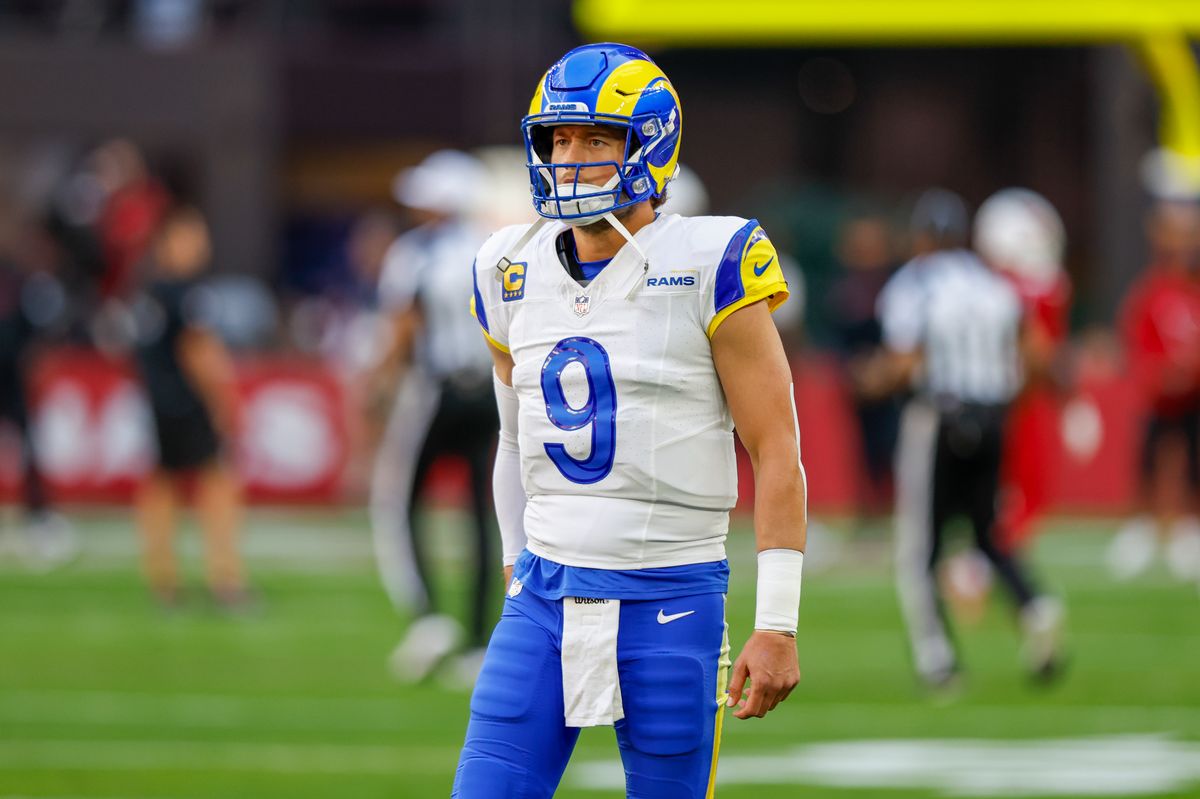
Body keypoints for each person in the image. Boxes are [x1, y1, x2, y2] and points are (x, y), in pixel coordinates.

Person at [453, 43, 807, 798]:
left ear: (649, 145)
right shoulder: (506, 267)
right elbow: (514, 437)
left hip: (669, 597)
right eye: (559, 139)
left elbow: (776, 447)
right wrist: (518, 567)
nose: (569, 157)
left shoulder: (712, 260)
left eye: (596, 139)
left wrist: (777, 618)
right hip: (545, 599)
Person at [874, 188, 1063, 690]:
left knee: (920, 548)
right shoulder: (993, 284)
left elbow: (905, 361)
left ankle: (937, 659)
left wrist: (869, 380)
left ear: (919, 236)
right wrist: (1001, 401)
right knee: (986, 532)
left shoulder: (914, 284)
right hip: (994, 418)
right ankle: (1037, 608)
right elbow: (1037, 352)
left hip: (938, 418)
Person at [367, 150, 498, 684]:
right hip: (488, 389)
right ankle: (476, 638)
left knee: (397, 504)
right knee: (482, 513)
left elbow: (404, 324)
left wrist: (379, 381)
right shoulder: (493, 248)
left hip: (435, 389)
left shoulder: (415, 253)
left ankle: (427, 616)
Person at [131, 204, 247, 607]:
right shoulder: (188, 294)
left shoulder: (149, 292)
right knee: (218, 484)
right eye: (190, 237)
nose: (199, 246)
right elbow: (201, 353)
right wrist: (224, 402)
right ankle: (225, 579)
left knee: (161, 485)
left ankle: (163, 579)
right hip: (188, 403)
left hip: (159, 402)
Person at [974, 188, 1072, 554]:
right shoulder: (1033, 289)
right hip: (1010, 399)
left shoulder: (996, 287)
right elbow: (1044, 354)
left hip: (1001, 398)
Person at [1110, 200, 1200, 582]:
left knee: (1194, 462)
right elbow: (1135, 343)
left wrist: (1190, 372)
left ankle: (1188, 530)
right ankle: (1144, 529)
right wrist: (1159, 375)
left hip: (1194, 396)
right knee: (1148, 458)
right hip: (1160, 398)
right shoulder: (1150, 290)